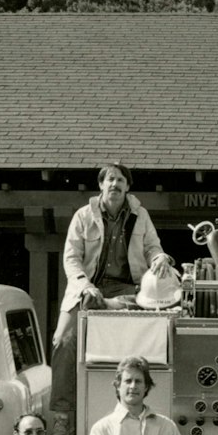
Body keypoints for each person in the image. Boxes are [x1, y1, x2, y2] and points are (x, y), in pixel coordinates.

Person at [50, 163, 176, 420]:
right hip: (87, 289)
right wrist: (86, 286)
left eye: (120, 180)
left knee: (158, 336)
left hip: (128, 291)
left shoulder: (141, 216)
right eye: (110, 179)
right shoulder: (83, 216)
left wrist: (160, 257)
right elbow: (71, 259)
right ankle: (64, 420)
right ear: (101, 185)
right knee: (63, 341)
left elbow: (152, 248)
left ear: (127, 187)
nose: (115, 184)